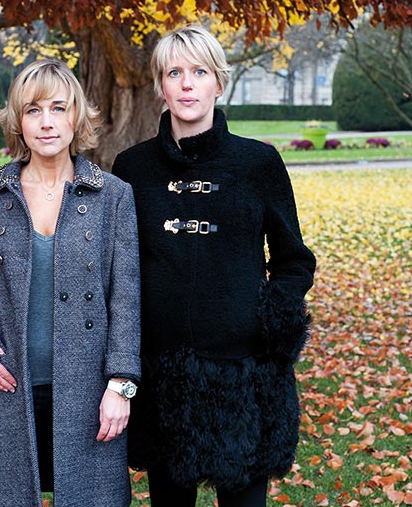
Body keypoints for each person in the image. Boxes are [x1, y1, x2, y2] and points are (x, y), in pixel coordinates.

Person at [112, 26, 316, 507]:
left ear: (218, 83)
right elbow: (116, 268)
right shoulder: (132, 168)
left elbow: (294, 261)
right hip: (164, 376)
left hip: (243, 376)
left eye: (199, 72)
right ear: (161, 85)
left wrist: (267, 320)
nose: (186, 84)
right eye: (174, 73)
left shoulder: (257, 163)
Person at [0, 59, 141, 507]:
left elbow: (126, 297)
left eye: (58, 108)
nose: (46, 122)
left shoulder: (112, 195)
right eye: (33, 110)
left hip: (89, 390)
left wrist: (121, 384)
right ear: (18, 121)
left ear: (75, 116)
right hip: (9, 385)